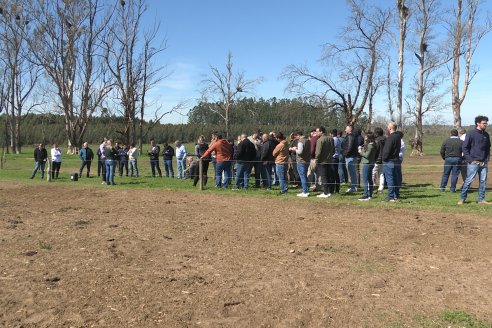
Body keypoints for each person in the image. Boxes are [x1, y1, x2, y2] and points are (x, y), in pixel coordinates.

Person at [458, 115, 491, 205]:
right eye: (484, 123)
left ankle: (481, 200)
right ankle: (462, 198)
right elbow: (464, 148)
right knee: (468, 181)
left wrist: (487, 158)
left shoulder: (486, 135)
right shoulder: (470, 133)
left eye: (486, 123)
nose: (486, 124)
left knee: (483, 181)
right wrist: (470, 160)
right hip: (473, 162)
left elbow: (488, 147)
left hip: (483, 162)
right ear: (478, 123)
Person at [382, 122, 402, 202]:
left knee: (390, 179)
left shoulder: (390, 138)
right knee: (396, 179)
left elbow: (387, 150)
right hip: (396, 160)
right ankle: (396, 195)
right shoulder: (398, 137)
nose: (387, 128)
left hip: (390, 161)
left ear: (390, 128)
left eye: (387, 127)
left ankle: (391, 196)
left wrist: (384, 158)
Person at [289, 130, 311, 197]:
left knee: (302, 176)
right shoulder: (307, 140)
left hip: (301, 161)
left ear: (298, 135)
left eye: (295, 136)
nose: (295, 138)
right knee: (304, 176)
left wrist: (294, 149)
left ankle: (305, 191)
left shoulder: (300, 141)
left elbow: (300, 152)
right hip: (307, 160)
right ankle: (306, 190)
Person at [315, 126, 335, 198]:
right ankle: (329, 191)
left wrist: (316, 160)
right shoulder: (330, 138)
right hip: (329, 160)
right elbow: (333, 150)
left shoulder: (320, 140)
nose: (316, 133)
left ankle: (325, 192)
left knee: (324, 177)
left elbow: (318, 152)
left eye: (317, 131)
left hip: (322, 161)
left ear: (321, 131)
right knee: (328, 176)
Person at [359, 132, 377, 201]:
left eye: (366, 137)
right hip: (371, 163)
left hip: (367, 163)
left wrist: (360, 151)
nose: (365, 138)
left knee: (365, 179)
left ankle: (366, 194)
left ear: (369, 138)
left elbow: (366, 155)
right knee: (369, 179)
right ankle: (370, 194)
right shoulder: (372, 145)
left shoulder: (370, 146)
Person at [343, 125, 359, 193]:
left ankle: (354, 187)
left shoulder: (350, 136)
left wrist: (345, 154)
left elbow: (349, 147)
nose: (345, 130)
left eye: (346, 128)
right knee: (352, 173)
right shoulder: (351, 136)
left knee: (352, 173)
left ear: (350, 129)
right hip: (351, 156)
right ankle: (353, 186)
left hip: (350, 157)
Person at [372, 127, 386, 195]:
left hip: (377, 159)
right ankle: (381, 188)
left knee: (372, 173)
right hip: (383, 159)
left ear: (377, 133)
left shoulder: (376, 140)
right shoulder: (386, 139)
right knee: (381, 174)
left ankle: (369, 187)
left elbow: (376, 150)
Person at [330, 129, 341, 193]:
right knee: (336, 174)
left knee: (332, 174)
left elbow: (331, 149)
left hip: (333, 158)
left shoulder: (333, 140)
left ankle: (332, 189)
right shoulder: (338, 139)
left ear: (331, 134)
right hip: (337, 158)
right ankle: (337, 188)